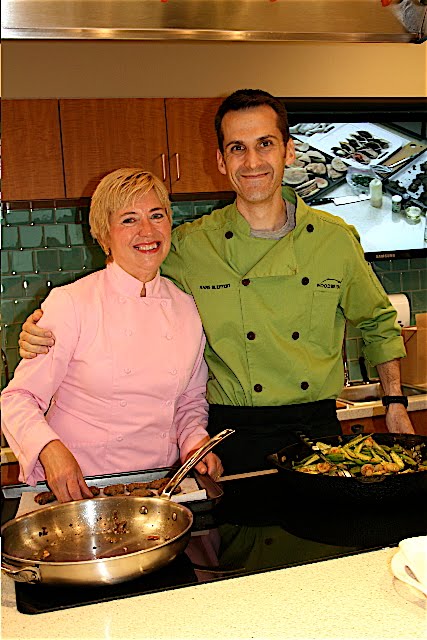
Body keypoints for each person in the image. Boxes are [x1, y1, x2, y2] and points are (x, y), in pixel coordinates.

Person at [18, 90, 414, 474]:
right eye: (237, 148)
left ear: (289, 151)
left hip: (316, 430)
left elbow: (378, 322)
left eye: (265, 144)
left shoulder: (335, 239)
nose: (252, 161)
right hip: (229, 437)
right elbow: (129, 274)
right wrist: (46, 327)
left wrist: (395, 404)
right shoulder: (192, 244)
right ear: (221, 161)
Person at [1, 168, 222, 502]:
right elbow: (18, 398)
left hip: (157, 488)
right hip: (79, 489)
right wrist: (49, 449)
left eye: (157, 215)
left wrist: (195, 443)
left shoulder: (187, 306)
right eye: (129, 219)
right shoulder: (72, 303)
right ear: (105, 235)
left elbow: (189, 401)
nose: (147, 231)